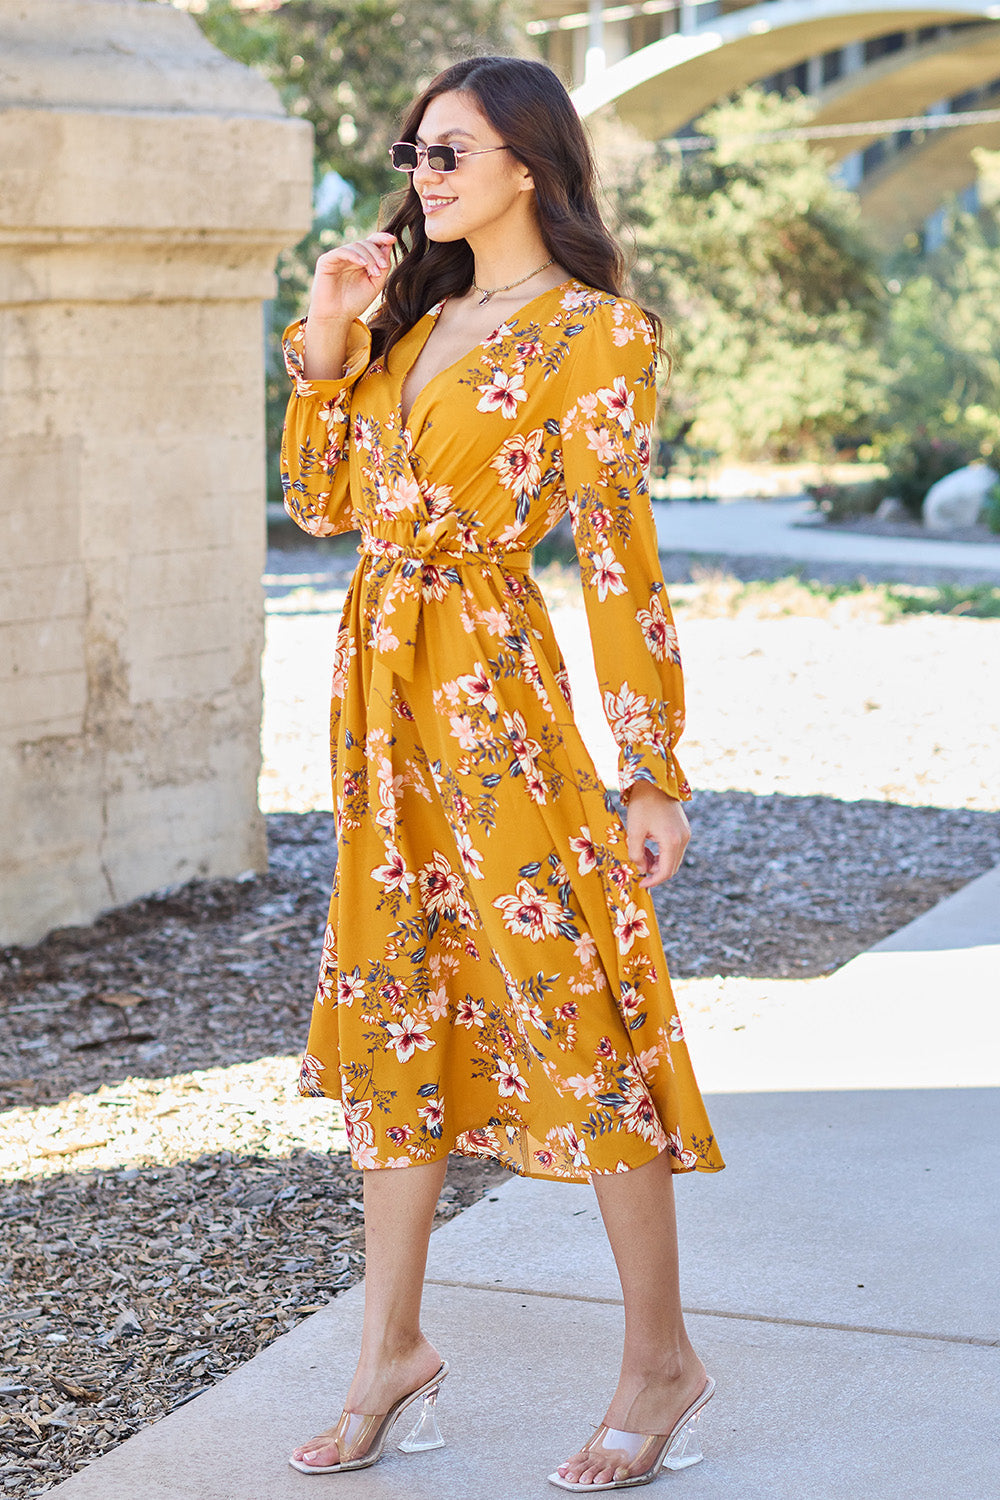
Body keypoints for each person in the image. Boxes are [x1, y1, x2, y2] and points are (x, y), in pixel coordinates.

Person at [280, 54, 724, 1491]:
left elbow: (616, 560)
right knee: (398, 999)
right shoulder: (416, 324)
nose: (425, 172)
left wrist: (648, 764)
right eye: (414, 153)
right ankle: (387, 1351)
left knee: (573, 996)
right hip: (379, 705)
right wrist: (334, 338)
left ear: (529, 161)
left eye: (450, 149)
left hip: (492, 695)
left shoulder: (598, 334)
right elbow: (323, 504)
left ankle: (660, 1358)